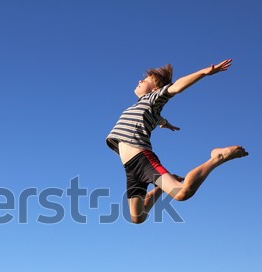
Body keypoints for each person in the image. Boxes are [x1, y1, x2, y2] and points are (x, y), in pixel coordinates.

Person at [106, 58, 248, 224]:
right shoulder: (143, 105)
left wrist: (204, 72)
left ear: (156, 88)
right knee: (137, 217)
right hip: (130, 168)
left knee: (182, 193)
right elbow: (156, 117)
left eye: (144, 80)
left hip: (142, 159)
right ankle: (159, 189)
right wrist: (165, 124)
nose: (139, 80)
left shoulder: (153, 98)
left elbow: (178, 86)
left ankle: (218, 157)